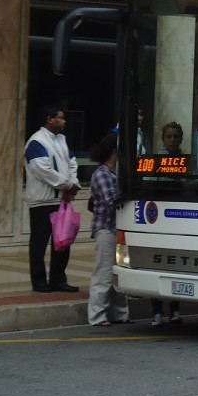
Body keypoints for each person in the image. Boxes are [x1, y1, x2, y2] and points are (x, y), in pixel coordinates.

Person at [24, 104, 81, 293]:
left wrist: (72, 184)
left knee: (62, 242)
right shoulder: (36, 142)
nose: (64, 121)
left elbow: (72, 164)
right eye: (61, 118)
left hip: (60, 201)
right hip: (42, 201)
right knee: (39, 242)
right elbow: (43, 171)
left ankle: (58, 279)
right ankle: (39, 281)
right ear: (50, 119)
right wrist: (67, 185)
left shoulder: (62, 140)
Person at [87, 133, 130, 326]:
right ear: (114, 151)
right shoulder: (102, 174)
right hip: (105, 228)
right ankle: (97, 316)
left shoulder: (117, 172)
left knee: (119, 274)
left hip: (118, 228)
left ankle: (120, 314)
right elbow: (111, 200)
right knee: (104, 273)